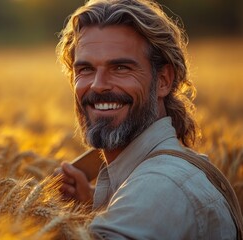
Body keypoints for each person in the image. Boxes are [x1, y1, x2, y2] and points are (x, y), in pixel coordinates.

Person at [55, 0, 238, 239]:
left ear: (163, 80)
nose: (98, 85)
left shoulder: (161, 187)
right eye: (85, 70)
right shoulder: (161, 175)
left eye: (120, 68)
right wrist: (89, 209)